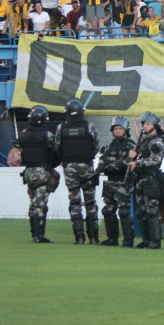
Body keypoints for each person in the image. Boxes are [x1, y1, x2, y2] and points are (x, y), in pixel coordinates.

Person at [54, 98, 100, 245]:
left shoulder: (61, 128)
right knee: (90, 202)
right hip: (87, 167)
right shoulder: (89, 126)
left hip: (70, 168)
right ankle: (93, 238)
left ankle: (79, 237)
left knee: (74, 202)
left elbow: (57, 146)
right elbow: (97, 145)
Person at [16, 105, 58, 244]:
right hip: (41, 172)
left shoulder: (24, 134)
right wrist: (51, 164)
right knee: (40, 204)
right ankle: (38, 236)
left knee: (33, 203)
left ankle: (35, 234)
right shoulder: (46, 135)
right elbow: (57, 151)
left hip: (28, 172)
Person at [127, 112, 164, 250]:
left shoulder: (157, 141)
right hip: (140, 179)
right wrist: (132, 156)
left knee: (151, 211)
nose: (144, 126)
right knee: (141, 212)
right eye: (143, 123)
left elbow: (155, 160)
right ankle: (146, 240)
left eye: (147, 123)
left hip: (151, 179)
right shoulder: (143, 141)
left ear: (155, 126)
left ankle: (155, 241)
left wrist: (137, 163)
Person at [96, 117, 137, 247]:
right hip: (110, 182)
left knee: (124, 212)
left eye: (120, 129)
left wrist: (110, 166)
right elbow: (103, 159)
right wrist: (100, 168)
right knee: (108, 211)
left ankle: (128, 240)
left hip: (122, 182)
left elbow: (125, 162)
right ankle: (112, 239)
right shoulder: (110, 145)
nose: (117, 131)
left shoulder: (130, 145)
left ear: (126, 130)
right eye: (115, 129)